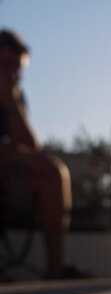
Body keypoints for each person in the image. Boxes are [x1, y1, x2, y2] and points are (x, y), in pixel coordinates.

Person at [0, 29, 73, 279]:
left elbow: (32, 149)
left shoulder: (14, 95)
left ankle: (56, 270)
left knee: (53, 173)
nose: (15, 73)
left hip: (7, 178)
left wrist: (10, 103)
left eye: (18, 68)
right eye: (8, 64)